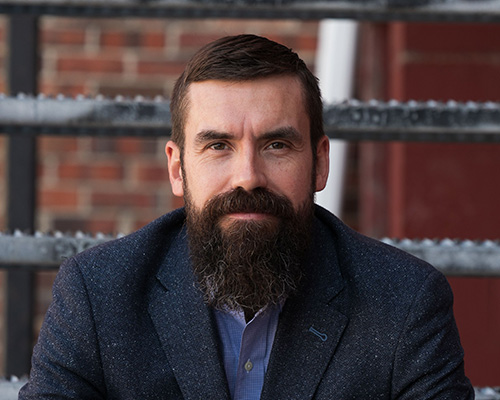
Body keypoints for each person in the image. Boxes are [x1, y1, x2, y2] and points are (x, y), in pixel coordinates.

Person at [20, 34, 473, 399]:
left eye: (277, 145)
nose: (248, 178)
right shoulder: (97, 293)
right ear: (178, 169)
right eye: (218, 145)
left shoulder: (405, 301)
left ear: (319, 163)